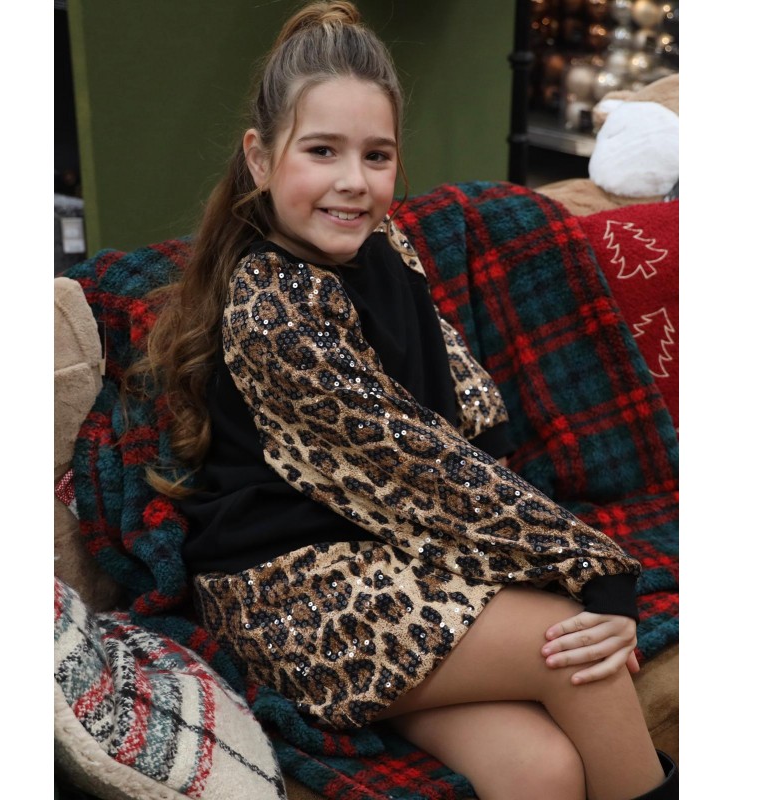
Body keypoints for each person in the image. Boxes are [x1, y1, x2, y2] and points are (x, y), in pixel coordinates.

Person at [137, 3, 678, 798]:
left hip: (399, 554)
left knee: (541, 771)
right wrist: (596, 573)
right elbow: (419, 467)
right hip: (293, 597)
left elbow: (463, 408)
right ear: (259, 158)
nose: (353, 181)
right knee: (579, 651)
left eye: (377, 155)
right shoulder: (274, 310)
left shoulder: (383, 246)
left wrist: (523, 556)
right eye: (322, 151)